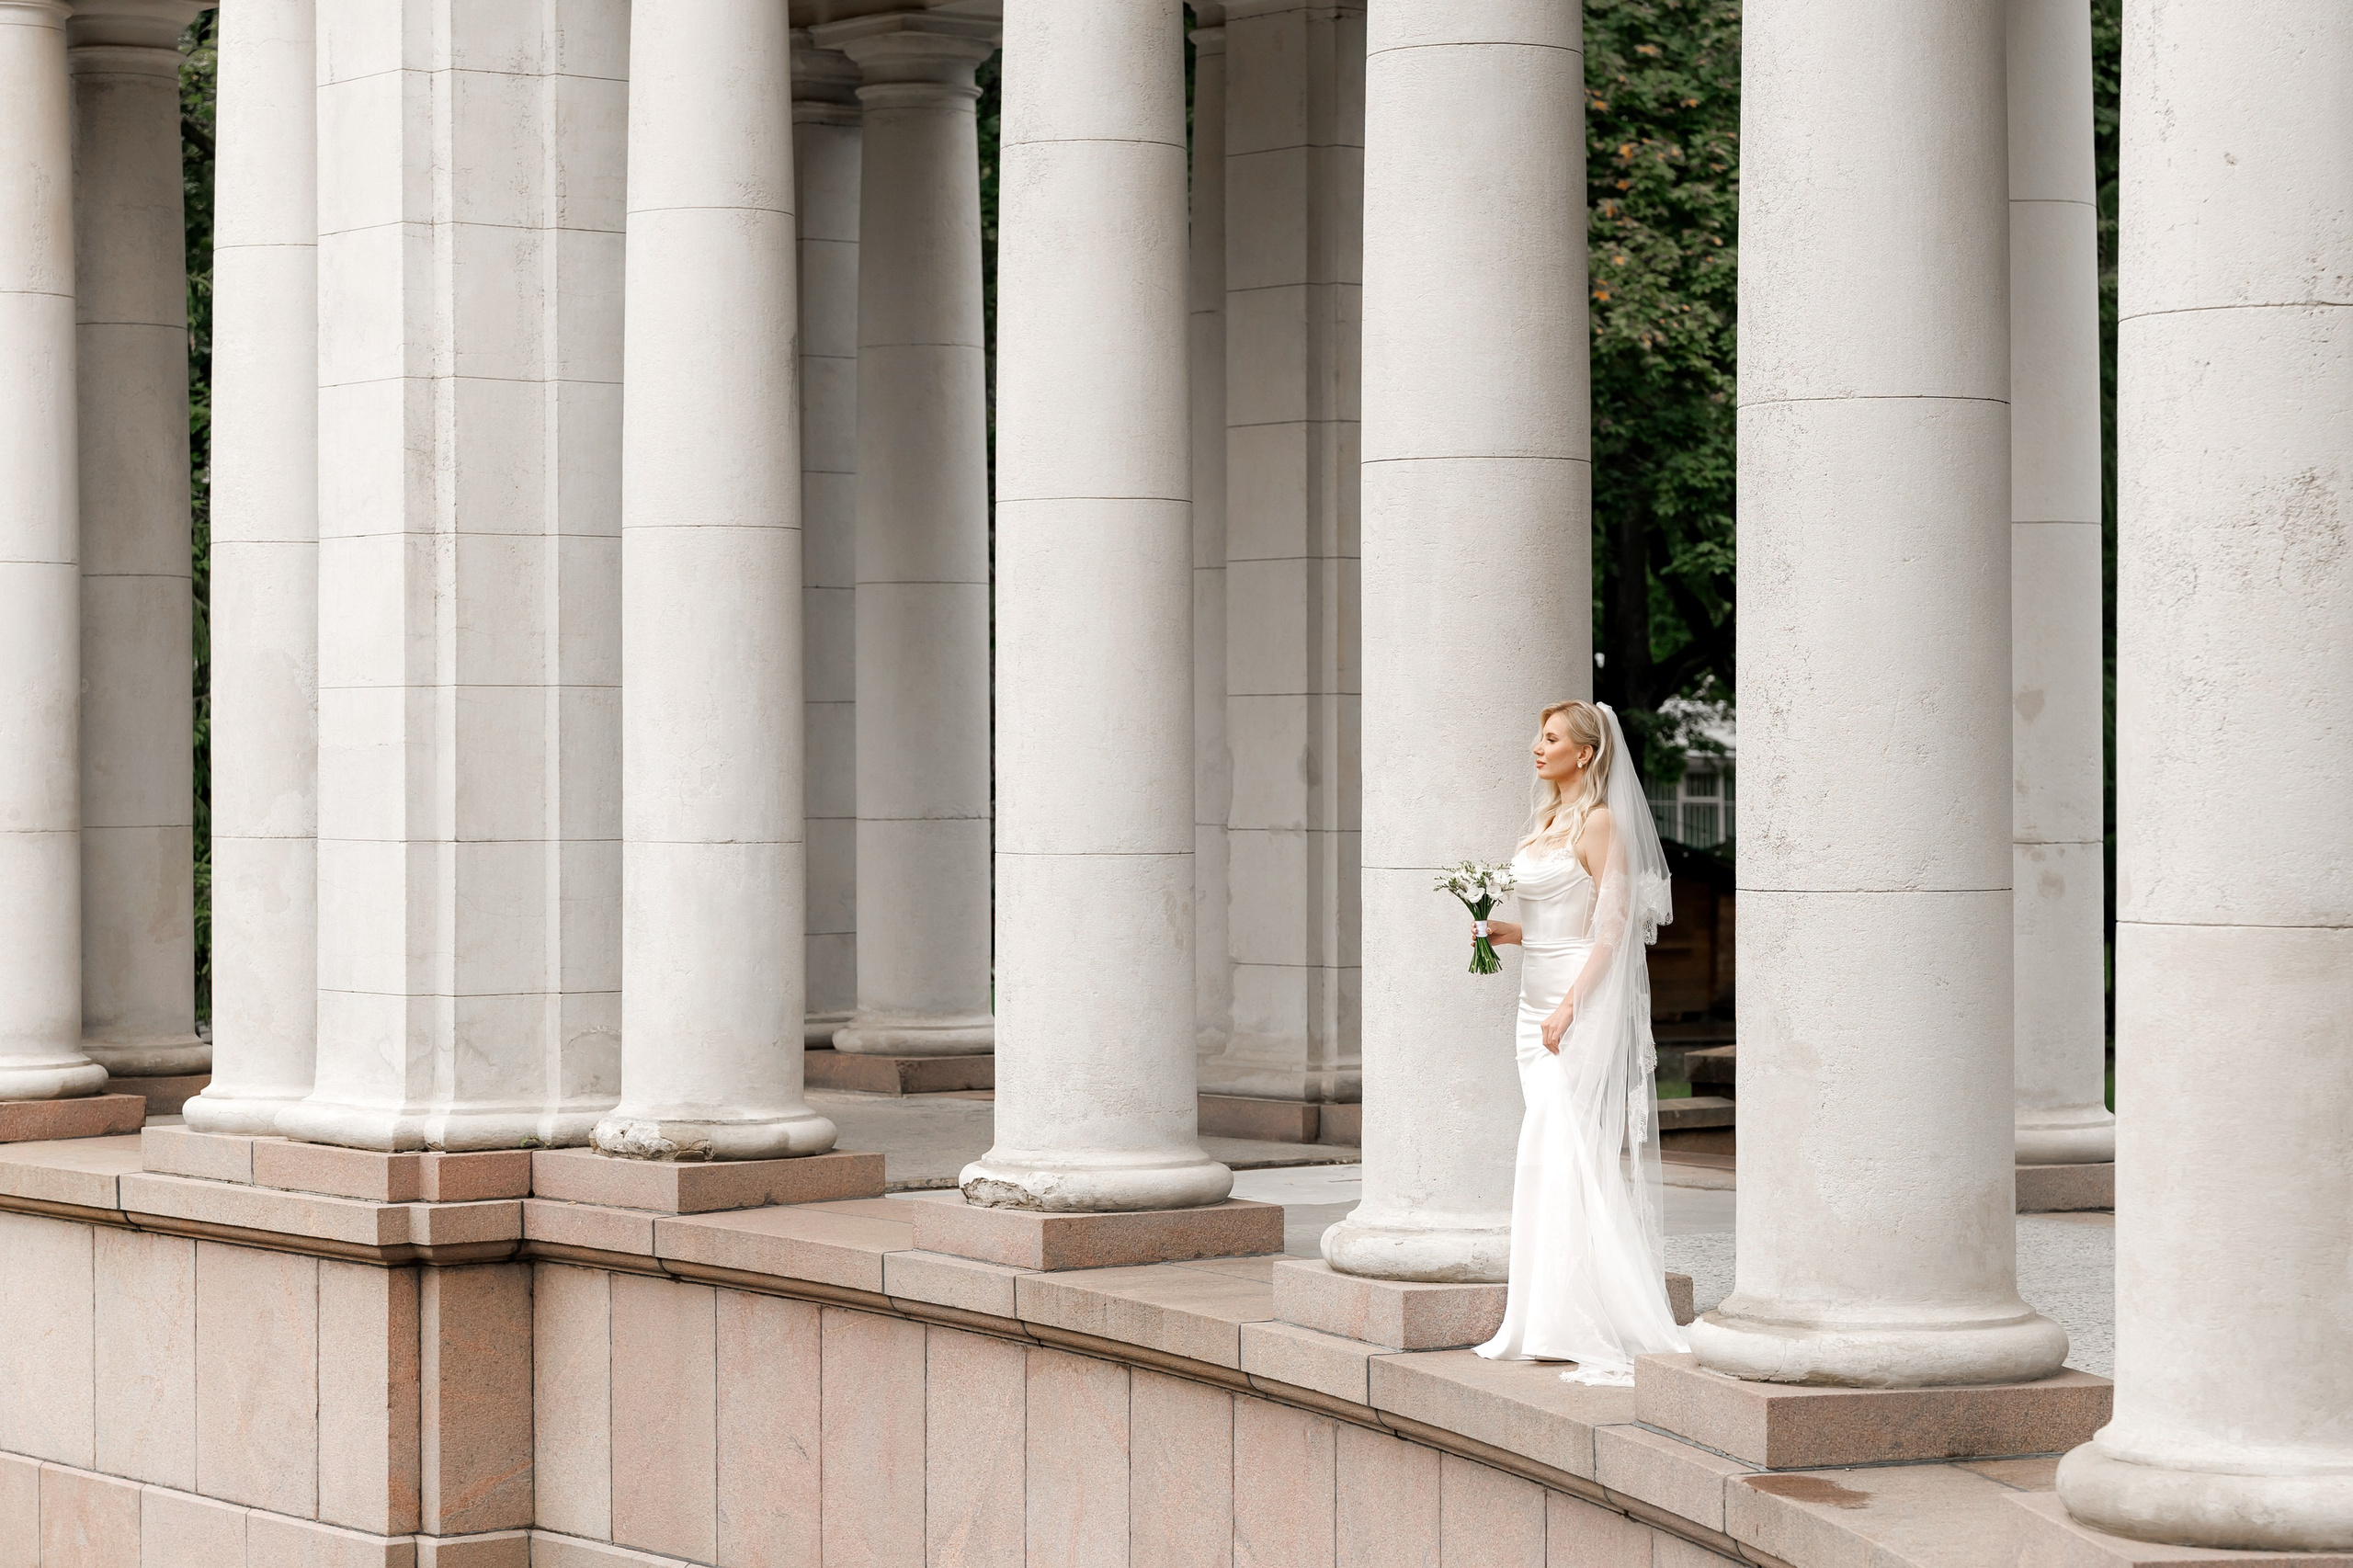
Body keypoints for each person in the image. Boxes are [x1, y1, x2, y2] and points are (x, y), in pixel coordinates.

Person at [1472, 699, 1688, 1384]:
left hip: (1574, 1001)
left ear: (1585, 753)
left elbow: (1613, 928)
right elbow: (1558, 920)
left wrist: (1571, 1007)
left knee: (1561, 1146)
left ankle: (1584, 1316)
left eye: (1552, 738)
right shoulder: (1544, 821)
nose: (1538, 747)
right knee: (1548, 1151)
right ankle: (1544, 1314)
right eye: (1539, 736)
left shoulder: (1599, 823)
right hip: (1531, 1002)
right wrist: (1510, 933)